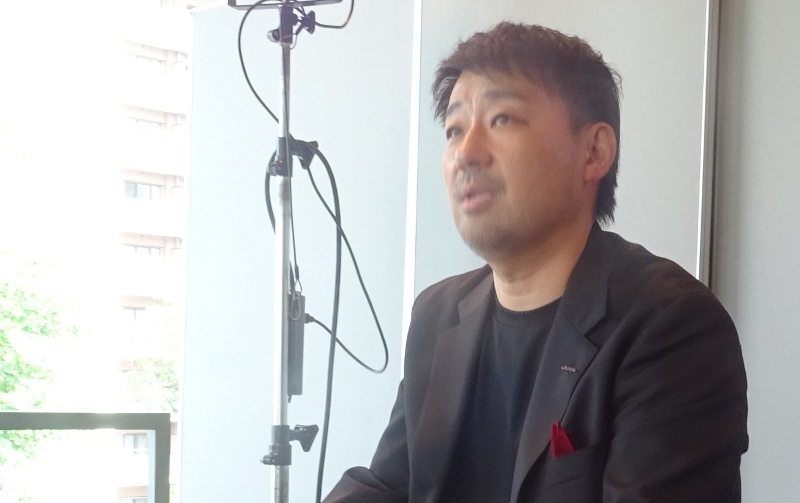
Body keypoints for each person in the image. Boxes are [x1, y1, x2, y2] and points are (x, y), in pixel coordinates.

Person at [325, 22, 748, 502]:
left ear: (594, 152)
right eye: (454, 129)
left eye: (502, 118)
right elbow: (389, 487)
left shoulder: (670, 326)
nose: (465, 153)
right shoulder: (437, 314)